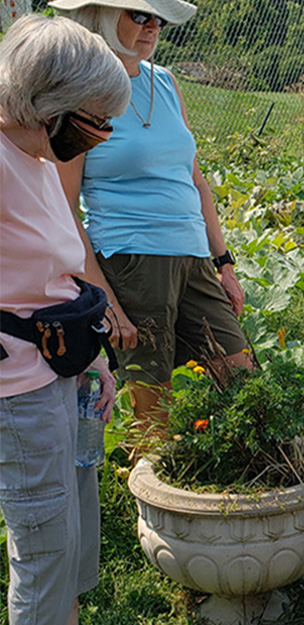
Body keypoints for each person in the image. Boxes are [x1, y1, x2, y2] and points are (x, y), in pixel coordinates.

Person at [50, 0, 253, 448]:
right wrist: (104, 299)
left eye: (157, 18)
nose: (152, 26)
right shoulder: (83, 93)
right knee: (152, 408)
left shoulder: (166, 83)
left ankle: (238, 483)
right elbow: (64, 208)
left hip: (194, 255)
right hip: (131, 259)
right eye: (138, 15)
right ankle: (152, 506)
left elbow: (195, 179)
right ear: (103, 16)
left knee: (241, 379)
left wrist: (224, 262)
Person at [0, 14, 130, 624]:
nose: (100, 135)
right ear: (47, 104)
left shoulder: (38, 159)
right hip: (17, 390)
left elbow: (60, 273)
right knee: (44, 553)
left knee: (65, 539)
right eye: (93, 120)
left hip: (56, 371)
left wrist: (92, 355)